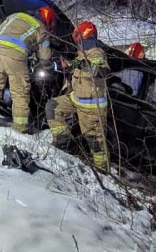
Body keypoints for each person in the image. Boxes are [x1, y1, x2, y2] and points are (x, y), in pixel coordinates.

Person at [46, 21, 111, 170]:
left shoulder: (97, 52)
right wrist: (59, 66)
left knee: (95, 142)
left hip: (92, 107)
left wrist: (87, 66)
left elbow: (102, 70)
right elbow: (72, 66)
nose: (76, 41)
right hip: (76, 100)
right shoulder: (82, 54)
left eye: (77, 37)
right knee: (53, 106)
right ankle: (63, 142)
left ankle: (103, 171)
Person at [0, 6, 54, 132]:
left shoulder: (16, 15)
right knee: (20, 93)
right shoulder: (41, 28)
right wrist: (49, 67)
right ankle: (21, 127)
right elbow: (45, 57)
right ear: (48, 20)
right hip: (15, 57)